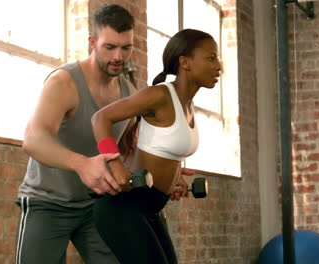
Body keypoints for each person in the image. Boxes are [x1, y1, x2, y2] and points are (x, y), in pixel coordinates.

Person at [15, 4, 134, 264]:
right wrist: (81, 164)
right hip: (46, 202)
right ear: (92, 42)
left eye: (126, 48)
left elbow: (126, 151)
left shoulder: (130, 95)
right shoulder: (64, 82)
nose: (118, 57)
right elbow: (33, 139)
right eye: (110, 47)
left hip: (96, 207)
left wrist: (171, 175)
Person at [91, 28, 222, 264]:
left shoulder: (188, 105)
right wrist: (114, 163)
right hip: (123, 206)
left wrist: (175, 179)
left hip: (152, 207)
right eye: (211, 58)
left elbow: (162, 148)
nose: (218, 66)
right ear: (185, 62)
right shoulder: (160, 95)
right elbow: (100, 118)